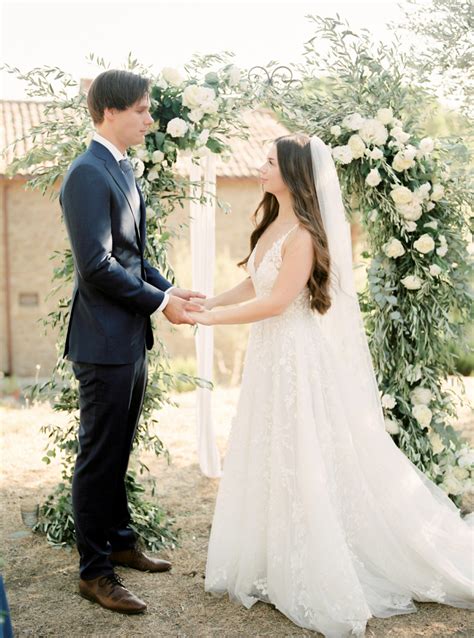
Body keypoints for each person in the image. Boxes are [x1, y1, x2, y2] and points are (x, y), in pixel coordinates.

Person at [189, 133, 474, 637]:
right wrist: (207, 302)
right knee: (271, 448)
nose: (260, 167)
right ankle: (273, 554)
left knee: (303, 450)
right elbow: (255, 281)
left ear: (293, 172)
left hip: (295, 357)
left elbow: (276, 301)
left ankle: (316, 556)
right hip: (268, 356)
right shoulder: (272, 222)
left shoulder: (303, 234)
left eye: (269, 162)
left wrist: (212, 322)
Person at [60, 69, 204, 614]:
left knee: (118, 447)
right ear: (110, 112)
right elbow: (97, 266)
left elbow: (132, 257)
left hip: (127, 338)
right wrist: (161, 305)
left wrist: (169, 290)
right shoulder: (86, 174)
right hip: (102, 342)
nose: (150, 119)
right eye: (141, 110)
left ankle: (120, 543)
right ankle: (94, 573)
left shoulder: (120, 167)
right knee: (98, 456)